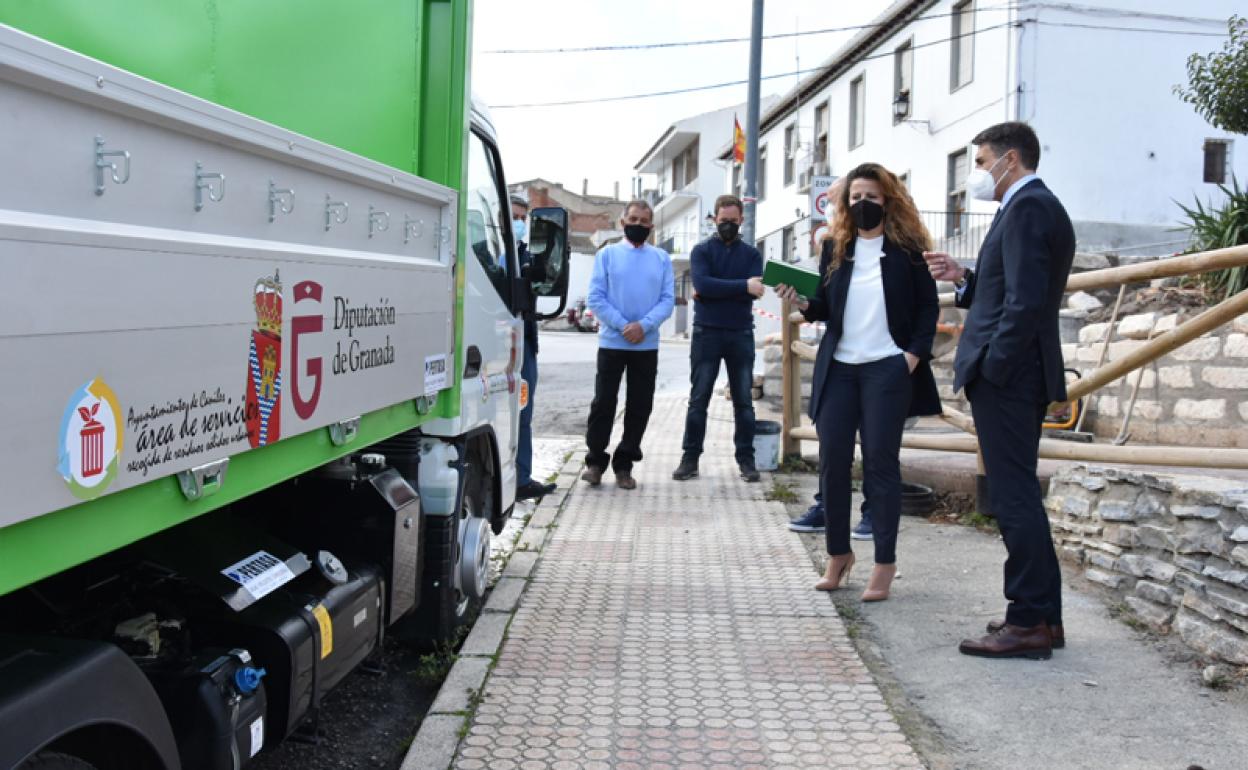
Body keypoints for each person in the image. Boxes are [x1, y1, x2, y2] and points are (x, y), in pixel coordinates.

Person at [924, 122, 1075, 660]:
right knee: (1018, 495)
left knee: (1012, 498)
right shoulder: (1023, 208)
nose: (979, 175)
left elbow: (1027, 303)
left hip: (1011, 376)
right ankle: (1045, 618)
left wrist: (995, 365)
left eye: (983, 162)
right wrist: (963, 277)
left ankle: (1027, 620)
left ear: (1011, 158)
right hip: (1015, 372)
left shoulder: (1030, 207)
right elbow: (1003, 289)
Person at [775, 162, 940, 602]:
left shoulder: (909, 251)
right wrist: (802, 302)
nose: (863, 204)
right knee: (831, 462)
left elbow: (928, 309)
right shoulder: (836, 250)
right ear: (845, 204)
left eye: (872, 197)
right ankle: (838, 556)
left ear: (888, 201)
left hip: (888, 368)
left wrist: (911, 356)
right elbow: (826, 307)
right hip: (841, 368)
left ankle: (884, 563)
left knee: (881, 467)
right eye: (856, 197)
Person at [582, 200, 675, 490]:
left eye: (644, 220)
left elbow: (667, 300)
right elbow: (596, 298)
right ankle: (595, 462)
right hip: (612, 341)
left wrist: (643, 326)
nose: (638, 224)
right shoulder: (607, 254)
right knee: (604, 403)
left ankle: (625, 464)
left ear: (651, 226)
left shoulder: (661, 258)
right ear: (622, 222)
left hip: (646, 346)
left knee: (640, 406)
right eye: (632, 218)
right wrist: (623, 325)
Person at [672, 194, 765, 483]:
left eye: (733, 221)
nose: (728, 225)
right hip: (707, 333)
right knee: (698, 399)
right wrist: (742, 287)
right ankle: (689, 460)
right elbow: (702, 284)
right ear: (714, 219)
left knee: (744, 403)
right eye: (723, 221)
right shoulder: (701, 251)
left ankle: (747, 462)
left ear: (742, 221)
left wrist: (717, 290)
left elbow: (756, 289)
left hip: (740, 333)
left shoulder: (751, 255)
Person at [510, 195, 556, 502]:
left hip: (524, 340)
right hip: (493, 337)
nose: (517, 223)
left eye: (522, 219)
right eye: (513, 216)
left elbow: (546, 277)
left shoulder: (527, 255)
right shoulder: (483, 252)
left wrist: (550, 243)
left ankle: (522, 478)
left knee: (524, 411)